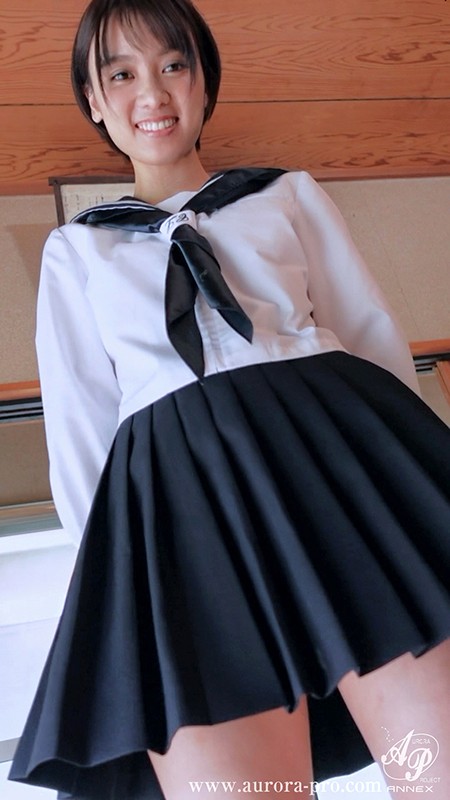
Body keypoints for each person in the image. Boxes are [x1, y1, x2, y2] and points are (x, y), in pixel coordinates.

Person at [9, 0, 450, 798]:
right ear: (95, 101)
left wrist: (409, 489)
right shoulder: (77, 250)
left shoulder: (286, 195)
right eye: (122, 74)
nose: (153, 92)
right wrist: (113, 587)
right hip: (181, 521)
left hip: (341, 472)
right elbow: (82, 437)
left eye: (174, 65)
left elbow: (369, 337)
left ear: (205, 82)